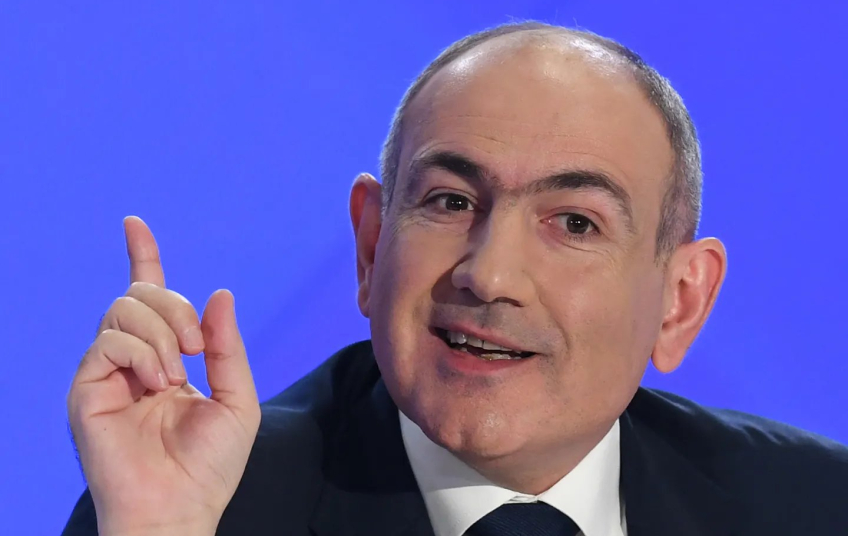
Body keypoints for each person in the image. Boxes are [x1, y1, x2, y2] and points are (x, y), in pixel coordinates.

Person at [61, 21, 848, 536]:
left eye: (575, 223)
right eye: (450, 201)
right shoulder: (202, 504)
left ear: (680, 303)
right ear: (371, 248)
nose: (490, 274)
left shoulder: (815, 507)